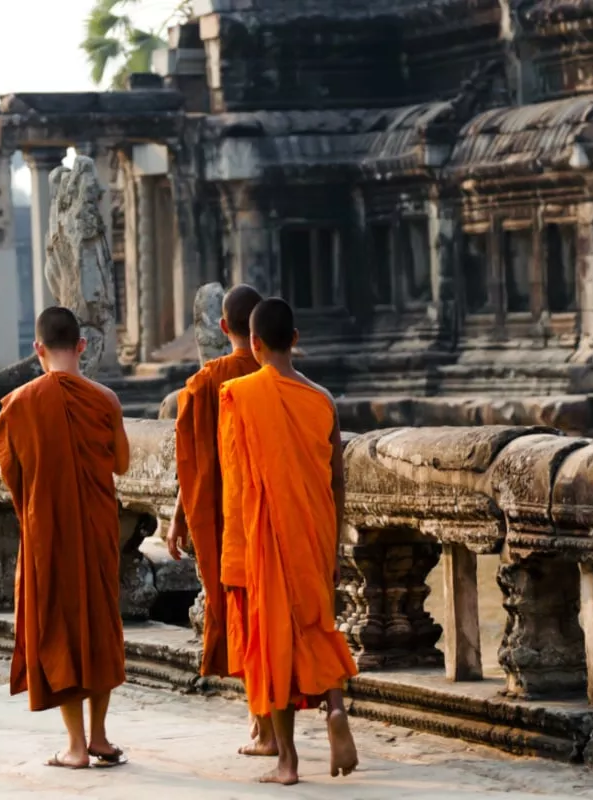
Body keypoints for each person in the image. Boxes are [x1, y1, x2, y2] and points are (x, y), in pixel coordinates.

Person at [218, 297, 359, 786]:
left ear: (254, 344)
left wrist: (235, 554)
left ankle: (288, 762)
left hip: (266, 536)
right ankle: (336, 706)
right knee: (317, 621)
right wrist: (335, 544)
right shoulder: (322, 399)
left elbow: (236, 482)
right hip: (315, 531)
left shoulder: (238, 396)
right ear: (295, 340)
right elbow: (337, 480)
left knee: (274, 640)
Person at [0, 306, 130, 770]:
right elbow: (122, 465)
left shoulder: (20, 404)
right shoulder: (105, 399)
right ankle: (101, 737)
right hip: (97, 529)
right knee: (100, 622)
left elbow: (14, 475)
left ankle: (75, 747)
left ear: (38, 350)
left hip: (48, 532)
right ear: (82, 346)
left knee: (61, 627)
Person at [166, 284, 275, 755]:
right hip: (275, 517)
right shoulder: (286, 380)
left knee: (243, 615)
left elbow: (192, 462)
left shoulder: (208, 383)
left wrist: (178, 520)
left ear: (223, 327)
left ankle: (262, 719)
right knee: (272, 615)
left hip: (228, 521)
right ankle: (273, 715)